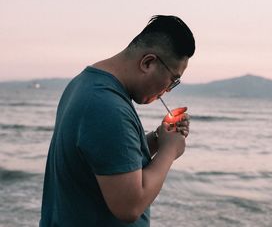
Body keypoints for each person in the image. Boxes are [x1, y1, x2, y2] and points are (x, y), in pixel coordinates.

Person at [39, 15, 195, 226]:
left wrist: (159, 138)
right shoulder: (107, 106)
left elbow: (110, 159)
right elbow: (129, 206)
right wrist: (170, 150)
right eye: (172, 80)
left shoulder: (87, 83)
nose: (167, 90)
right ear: (148, 62)